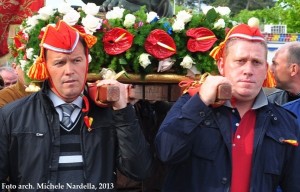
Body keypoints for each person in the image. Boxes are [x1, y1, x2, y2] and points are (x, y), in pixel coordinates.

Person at [0, 20, 153, 191]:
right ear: (45, 67)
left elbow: (139, 170)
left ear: (86, 63)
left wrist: (123, 109)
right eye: (59, 63)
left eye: (77, 60)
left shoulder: (112, 113)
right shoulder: (12, 116)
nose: (69, 70)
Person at [155, 24, 300, 191]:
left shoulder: (285, 122)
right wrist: (201, 102)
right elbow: (166, 152)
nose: (248, 70)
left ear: (266, 69)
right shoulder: (191, 104)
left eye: (256, 62)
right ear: (221, 65)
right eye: (240, 61)